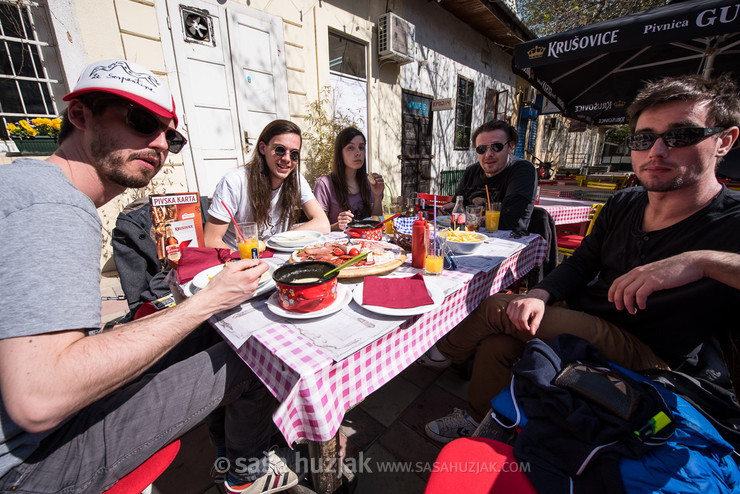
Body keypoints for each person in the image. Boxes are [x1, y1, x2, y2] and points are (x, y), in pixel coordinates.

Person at [0, 59, 298, 494]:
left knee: (217, 334)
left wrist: (203, 305)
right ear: (80, 116)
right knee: (257, 355)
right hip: (31, 463)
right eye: (141, 122)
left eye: (170, 136)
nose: (159, 143)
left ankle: (228, 442)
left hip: (37, 430)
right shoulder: (54, 209)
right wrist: (207, 301)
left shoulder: (31, 187)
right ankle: (245, 474)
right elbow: (39, 398)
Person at [422, 74, 740, 444]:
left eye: (681, 136)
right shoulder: (623, 204)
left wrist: (701, 261)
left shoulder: (731, 221)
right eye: (643, 138)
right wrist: (540, 294)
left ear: (724, 141)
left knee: (496, 309)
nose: (657, 150)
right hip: (593, 319)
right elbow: (580, 263)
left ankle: (432, 355)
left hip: (657, 356)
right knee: (499, 344)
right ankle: (485, 428)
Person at [204, 120, 330, 249]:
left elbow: (322, 223)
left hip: (277, 255)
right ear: (263, 148)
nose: (287, 159)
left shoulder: (296, 179)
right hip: (240, 259)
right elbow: (211, 240)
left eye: (294, 154)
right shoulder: (234, 182)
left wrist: (274, 241)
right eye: (280, 150)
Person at [443, 120, 538, 232]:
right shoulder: (471, 171)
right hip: (470, 239)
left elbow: (507, 219)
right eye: (482, 149)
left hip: (509, 243)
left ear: (511, 146)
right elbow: (459, 205)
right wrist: (452, 208)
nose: (488, 154)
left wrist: (469, 218)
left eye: (496, 147)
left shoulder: (522, 170)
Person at [313, 127, 385, 230]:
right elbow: (318, 228)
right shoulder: (325, 184)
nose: (358, 153)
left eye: (361, 147)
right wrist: (338, 225)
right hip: (337, 244)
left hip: (366, 243)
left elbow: (376, 224)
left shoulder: (368, 181)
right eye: (350, 148)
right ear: (340, 153)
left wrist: (377, 197)